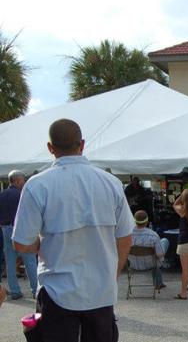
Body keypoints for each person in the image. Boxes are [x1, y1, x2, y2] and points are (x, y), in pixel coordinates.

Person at [12, 119, 133, 342]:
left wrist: (40, 244)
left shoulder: (38, 185)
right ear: (82, 144)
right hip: (101, 290)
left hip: (56, 290)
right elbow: (125, 237)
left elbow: (20, 243)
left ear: (50, 147)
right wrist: (113, 274)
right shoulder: (111, 183)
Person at [0, 170, 37, 300]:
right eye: (22, 180)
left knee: (10, 262)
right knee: (30, 261)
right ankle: (35, 290)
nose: (24, 182)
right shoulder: (22, 195)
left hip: (5, 229)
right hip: (21, 230)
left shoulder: (2, 195)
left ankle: (15, 291)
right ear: (16, 181)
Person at [129, 210, 169, 290]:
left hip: (133, 264)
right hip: (151, 264)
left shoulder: (127, 235)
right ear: (147, 221)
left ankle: (159, 282)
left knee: (157, 252)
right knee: (164, 241)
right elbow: (159, 254)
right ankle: (158, 282)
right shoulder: (153, 235)